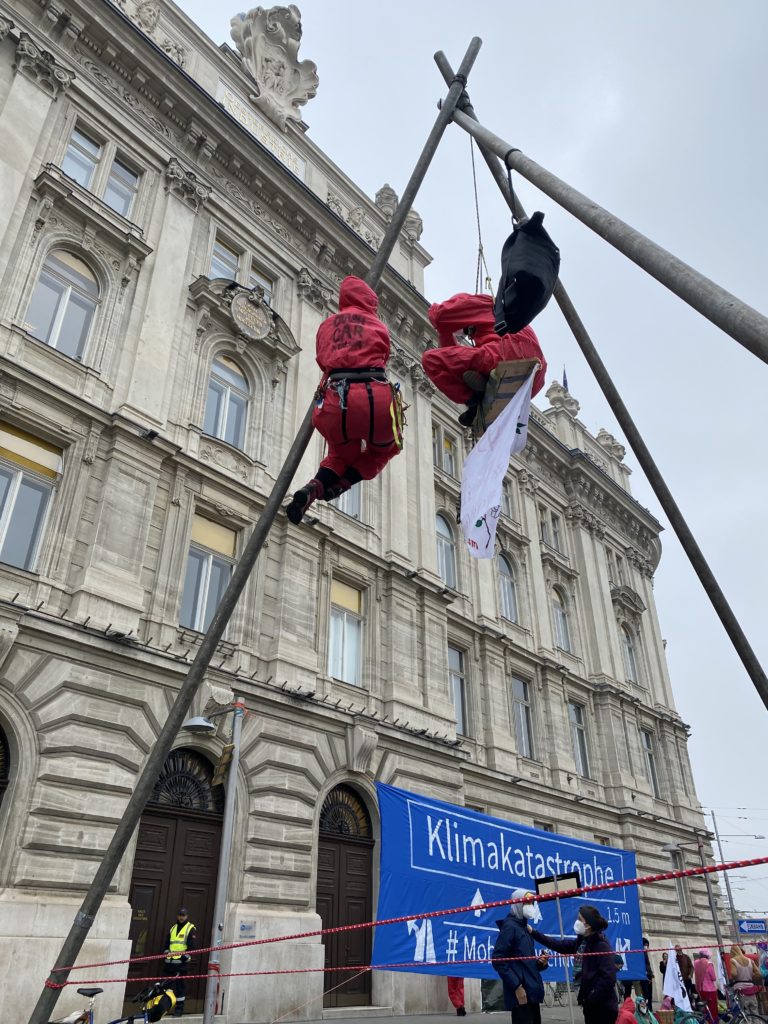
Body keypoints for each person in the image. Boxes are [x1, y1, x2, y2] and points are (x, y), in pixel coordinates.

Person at [286, 276, 404, 524]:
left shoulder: (326, 325)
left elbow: (322, 361)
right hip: (375, 401)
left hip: (336, 403)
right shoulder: (378, 325)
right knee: (386, 449)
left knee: (339, 455)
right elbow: (384, 354)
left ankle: (314, 488)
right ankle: (343, 484)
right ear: (370, 301)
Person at [422, 292, 547, 428]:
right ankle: (481, 388)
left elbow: (439, 315)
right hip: (536, 376)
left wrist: (441, 322)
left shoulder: (483, 303)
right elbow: (452, 359)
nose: (467, 336)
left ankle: (473, 400)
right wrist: (446, 331)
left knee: (431, 359)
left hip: (508, 352)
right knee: (462, 364)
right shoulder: (495, 315)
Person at [530, 904, 618, 1024]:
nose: (576, 922)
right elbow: (558, 945)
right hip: (590, 1006)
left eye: (579, 919)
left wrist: (591, 998)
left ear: (588, 925)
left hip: (602, 1007)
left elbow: (609, 977)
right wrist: (533, 932)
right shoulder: (582, 942)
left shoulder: (601, 945)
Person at [491, 888, 549, 1024]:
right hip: (522, 995)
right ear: (518, 904)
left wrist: (540, 963)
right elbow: (498, 960)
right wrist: (517, 986)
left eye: (532, 903)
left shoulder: (524, 928)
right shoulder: (510, 927)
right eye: (527, 903)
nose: (530, 906)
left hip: (532, 993)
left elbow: (524, 963)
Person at [163, 907, 196, 1017]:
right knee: (166, 988)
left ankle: (179, 1010)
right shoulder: (172, 928)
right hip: (169, 964)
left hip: (181, 966)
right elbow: (167, 944)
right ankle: (165, 1008)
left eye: (183, 915)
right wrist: (166, 953)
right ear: (177, 916)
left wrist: (183, 958)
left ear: (187, 916)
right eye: (180, 915)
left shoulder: (190, 928)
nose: (181, 917)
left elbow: (192, 948)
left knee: (179, 988)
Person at [729, 944, 760, 1014]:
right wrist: (751, 978)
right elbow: (758, 974)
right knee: (755, 1011)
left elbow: (734, 974)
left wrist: (733, 978)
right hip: (751, 989)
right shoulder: (750, 960)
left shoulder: (733, 960)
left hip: (741, 990)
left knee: (745, 1013)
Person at [694, 948, 719, 1024]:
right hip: (710, 990)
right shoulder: (709, 964)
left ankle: (706, 1021)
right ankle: (713, 1022)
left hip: (701, 989)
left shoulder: (696, 963)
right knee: (713, 1009)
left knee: (706, 1008)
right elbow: (713, 978)